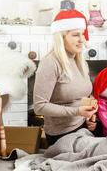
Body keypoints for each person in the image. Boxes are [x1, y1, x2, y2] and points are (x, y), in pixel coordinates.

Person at [33, 9, 97, 146]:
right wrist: (77, 111)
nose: (82, 40)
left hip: (82, 126)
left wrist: (89, 117)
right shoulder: (50, 62)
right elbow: (39, 107)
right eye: (75, 35)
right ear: (61, 38)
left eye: (82, 34)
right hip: (61, 134)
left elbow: (82, 96)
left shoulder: (80, 61)